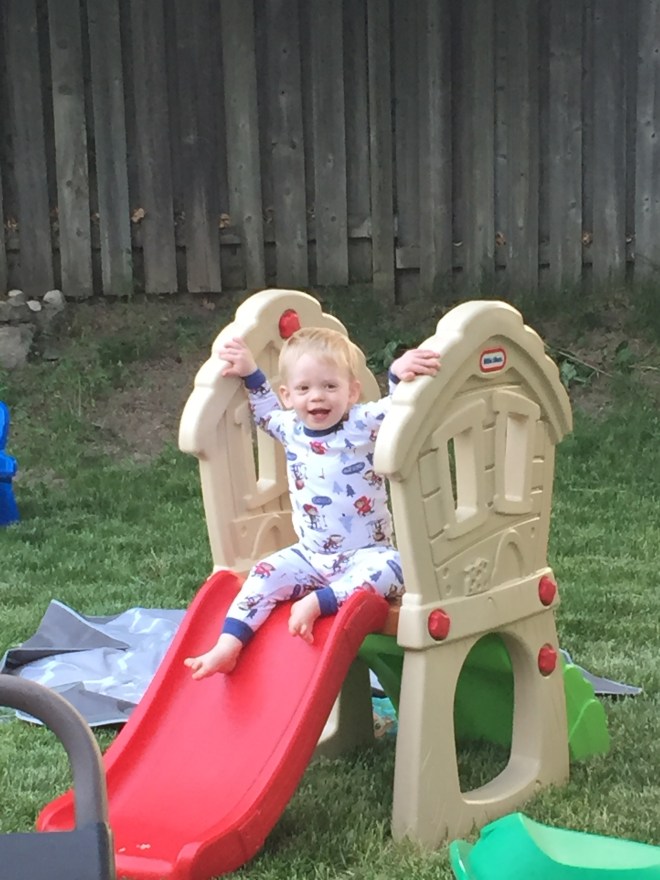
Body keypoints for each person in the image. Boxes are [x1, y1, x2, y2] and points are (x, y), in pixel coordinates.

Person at [184, 327, 440, 678]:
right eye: (304, 389)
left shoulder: (361, 424)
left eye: (330, 386)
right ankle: (229, 644)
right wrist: (250, 372)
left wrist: (397, 375)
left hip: (365, 554)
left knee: (396, 567)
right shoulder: (290, 427)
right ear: (288, 395)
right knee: (263, 573)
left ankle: (320, 601)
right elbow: (264, 413)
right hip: (309, 557)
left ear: (352, 392)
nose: (317, 397)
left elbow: (396, 413)